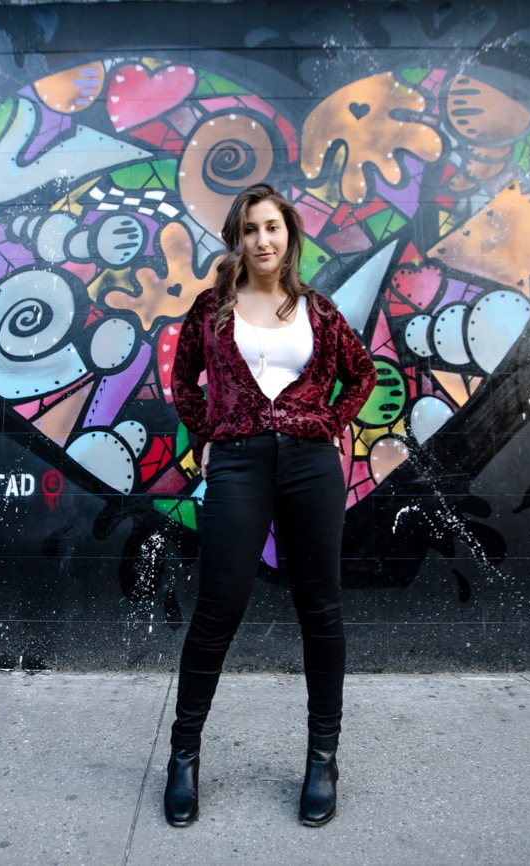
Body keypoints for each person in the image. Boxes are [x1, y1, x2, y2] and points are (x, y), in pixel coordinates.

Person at [166, 182, 377, 827]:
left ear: (290, 236)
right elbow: (183, 381)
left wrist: (330, 422)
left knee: (321, 610)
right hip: (239, 465)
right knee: (218, 609)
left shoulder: (318, 310)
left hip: (311, 466)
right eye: (251, 229)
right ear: (238, 238)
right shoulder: (212, 310)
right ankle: (183, 756)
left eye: (273, 228)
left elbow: (363, 373)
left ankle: (322, 760)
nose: (263, 240)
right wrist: (208, 433)